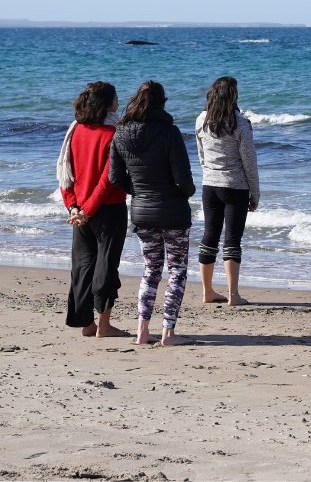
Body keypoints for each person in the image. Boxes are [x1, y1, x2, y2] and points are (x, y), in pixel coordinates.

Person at [109, 80, 196, 347]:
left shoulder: (120, 133)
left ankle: (142, 331)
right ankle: (168, 333)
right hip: (172, 211)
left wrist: (139, 190)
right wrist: (186, 192)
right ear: (162, 102)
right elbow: (183, 178)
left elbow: (115, 177)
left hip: (142, 211)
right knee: (177, 271)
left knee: (151, 270)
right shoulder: (170, 132)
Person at [57, 81, 128, 338]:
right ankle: (104, 326)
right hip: (107, 209)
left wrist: (73, 207)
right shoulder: (114, 134)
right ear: (107, 103)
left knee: (82, 267)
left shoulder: (75, 130)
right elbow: (108, 179)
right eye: (116, 97)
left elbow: (66, 174)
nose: (119, 102)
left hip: (81, 212)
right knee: (105, 268)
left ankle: (87, 325)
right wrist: (85, 209)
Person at [195, 76, 260, 307]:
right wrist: (255, 193)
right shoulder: (241, 123)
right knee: (232, 239)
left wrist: (209, 173)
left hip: (210, 185)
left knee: (209, 237)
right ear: (233, 96)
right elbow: (249, 162)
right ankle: (233, 295)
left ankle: (207, 291)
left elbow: (201, 154)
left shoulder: (202, 120)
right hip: (235, 186)